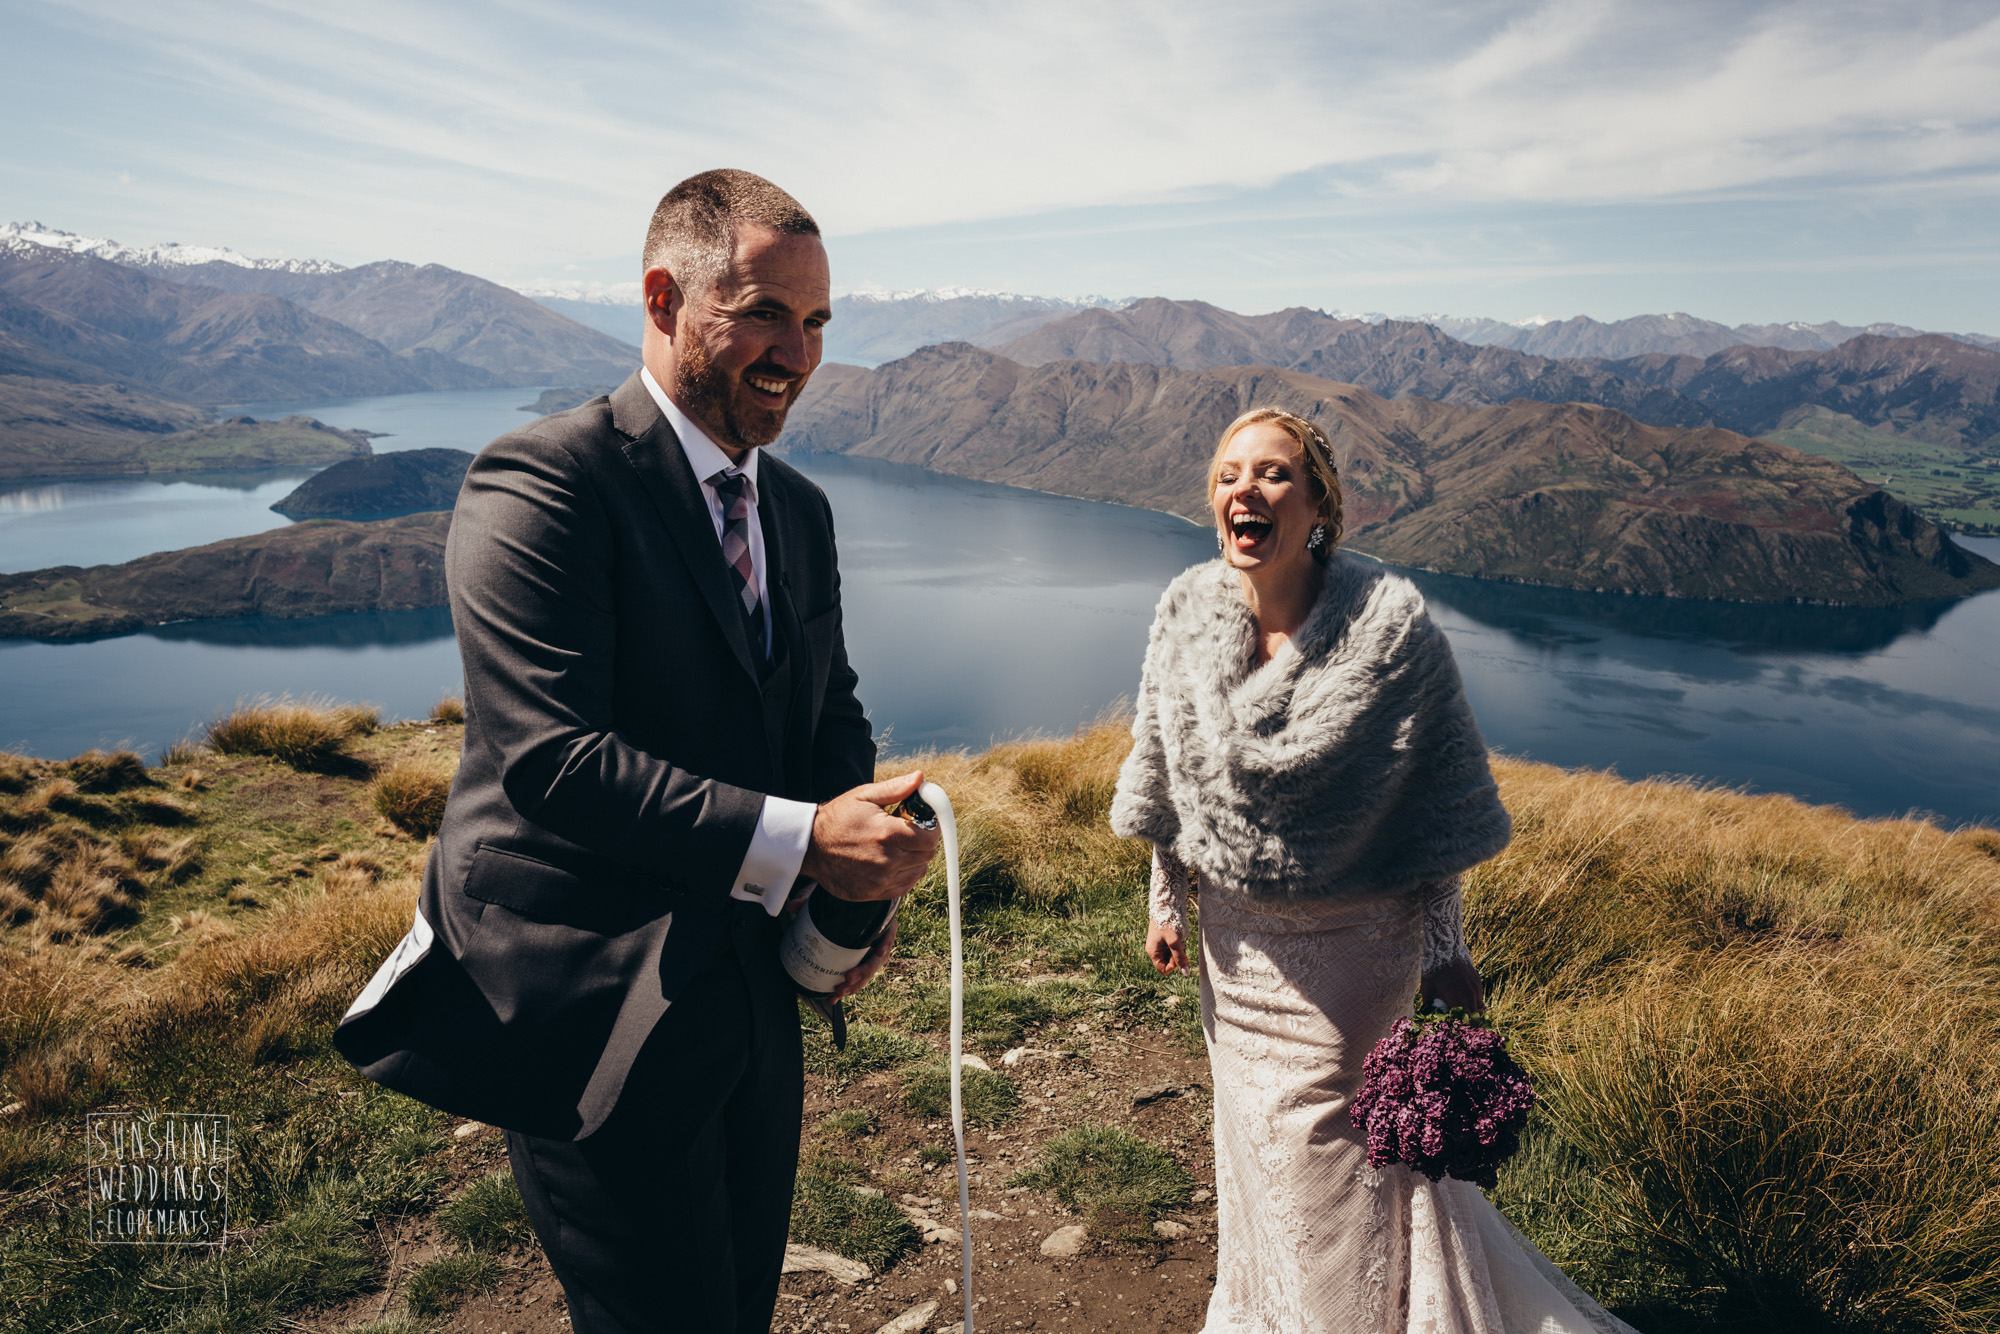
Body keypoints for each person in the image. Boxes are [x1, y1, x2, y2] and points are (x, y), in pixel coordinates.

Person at [332, 169, 939, 1334]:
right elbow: (548, 758)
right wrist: (807, 840)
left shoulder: (797, 510)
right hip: (590, 1000)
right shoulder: (543, 481)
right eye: (764, 314)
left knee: (736, 1305)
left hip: (752, 990)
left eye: (816, 321)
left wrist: (850, 886)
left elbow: (826, 709)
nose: (798, 354)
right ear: (664, 298)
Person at [1108, 407, 1640, 1333]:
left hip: (1354, 953)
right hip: (1236, 956)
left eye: (1273, 473)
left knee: (1336, 1159)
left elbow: (1435, 808)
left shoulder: (1387, 630)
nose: (1245, 490)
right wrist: (1166, 902)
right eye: (1230, 474)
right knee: (1259, 1151)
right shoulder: (1186, 614)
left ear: (1319, 505)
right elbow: (1165, 768)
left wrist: (1443, 951)